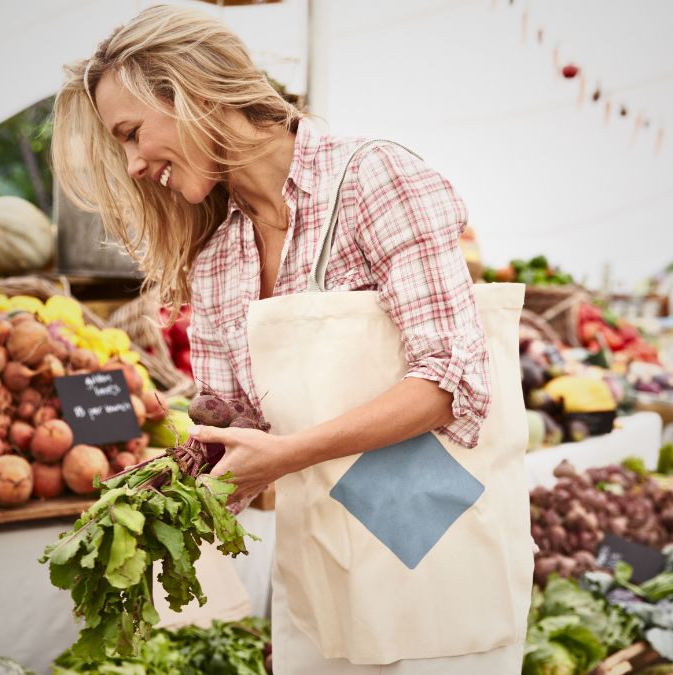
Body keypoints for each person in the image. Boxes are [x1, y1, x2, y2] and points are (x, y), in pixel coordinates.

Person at [51, 5, 530, 673]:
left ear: (194, 90)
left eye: (132, 133)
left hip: (436, 546)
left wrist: (285, 454)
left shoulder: (373, 179)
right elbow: (236, 426)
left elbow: (450, 382)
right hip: (324, 571)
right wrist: (154, 489)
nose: (131, 164)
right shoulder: (219, 256)